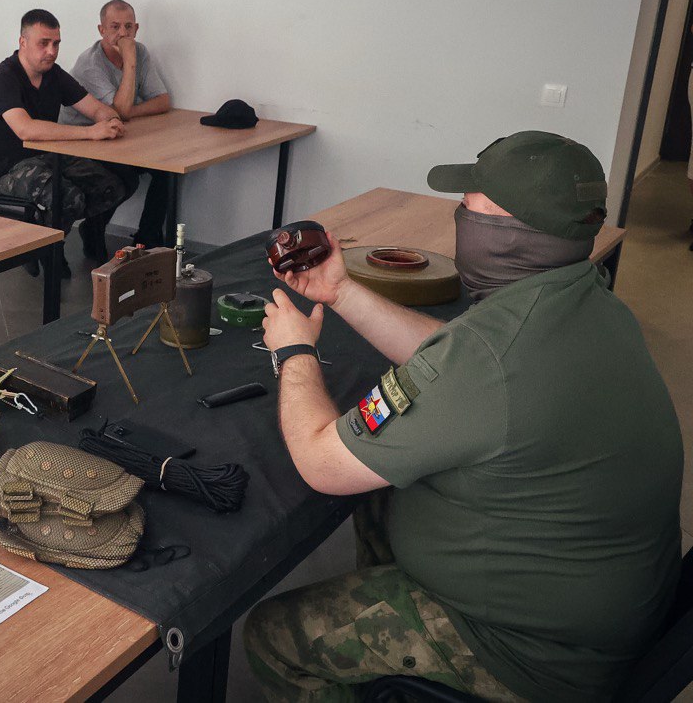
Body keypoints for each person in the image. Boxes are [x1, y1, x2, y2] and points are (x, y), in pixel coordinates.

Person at [244, 131, 682, 702]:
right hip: (594, 601)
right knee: (381, 492)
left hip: (530, 653)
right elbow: (452, 352)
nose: (459, 215)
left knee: (271, 637)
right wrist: (341, 292)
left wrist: (293, 353)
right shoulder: (579, 299)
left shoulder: (492, 363)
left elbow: (321, 462)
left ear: (507, 233)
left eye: (469, 206)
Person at [0, 8, 133, 272]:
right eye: (43, 43)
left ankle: (54, 235)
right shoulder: (3, 78)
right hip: (9, 169)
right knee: (68, 198)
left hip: (49, 157)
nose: (51, 51)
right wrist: (90, 132)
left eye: (56, 43)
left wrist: (109, 117)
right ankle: (44, 247)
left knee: (116, 184)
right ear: (22, 43)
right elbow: (26, 130)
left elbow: (94, 108)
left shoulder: (54, 74)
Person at [60, 0, 172, 247]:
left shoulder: (140, 51)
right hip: (81, 140)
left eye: (128, 27)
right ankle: (92, 229)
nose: (123, 33)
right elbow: (119, 111)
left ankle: (147, 239)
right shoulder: (91, 63)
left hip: (116, 135)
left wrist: (131, 112)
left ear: (137, 28)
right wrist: (130, 62)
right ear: (101, 30)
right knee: (124, 175)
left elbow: (162, 101)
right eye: (115, 27)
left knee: (166, 170)